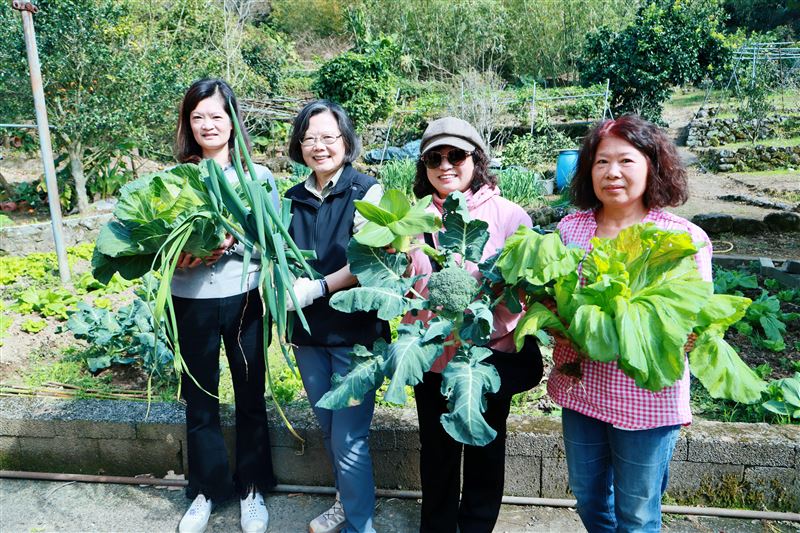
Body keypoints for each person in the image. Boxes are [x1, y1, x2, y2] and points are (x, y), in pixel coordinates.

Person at [548, 114, 713, 533]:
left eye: (626, 161)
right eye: (601, 162)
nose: (612, 173)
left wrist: (656, 331)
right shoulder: (570, 230)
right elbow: (552, 297)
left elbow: (693, 322)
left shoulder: (683, 237)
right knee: (588, 499)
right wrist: (553, 319)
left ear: (653, 166)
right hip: (582, 389)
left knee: (637, 515)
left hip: (648, 398)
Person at [406, 117, 543, 533]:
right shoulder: (412, 219)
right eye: (434, 158)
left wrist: (479, 322)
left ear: (477, 159)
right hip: (431, 356)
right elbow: (402, 284)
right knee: (436, 453)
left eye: (456, 155)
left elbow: (524, 290)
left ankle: (477, 527)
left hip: (486, 358)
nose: (445, 165)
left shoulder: (510, 216)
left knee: (486, 449)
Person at [171, 78, 278, 533]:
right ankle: (206, 490)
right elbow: (154, 241)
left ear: (233, 121)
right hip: (189, 300)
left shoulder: (258, 178)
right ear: (188, 124)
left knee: (250, 393)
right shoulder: (174, 180)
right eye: (198, 117)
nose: (208, 125)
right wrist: (179, 253)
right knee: (200, 398)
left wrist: (234, 240)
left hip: (243, 297)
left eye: (216, 115)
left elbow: (274, 242)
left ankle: (252, 488)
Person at [283, 100, 387, 533]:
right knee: (329, 428)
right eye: (309, 138)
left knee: (349, 437)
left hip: (355, 335)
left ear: (346, 141)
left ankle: (361, 525)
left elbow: (366, 260)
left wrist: (318, 287)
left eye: (328, 137)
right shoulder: (290, 198)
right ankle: (347, 503)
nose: (319, 146)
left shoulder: (368, 192)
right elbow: (279, 255)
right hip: (308, 334)